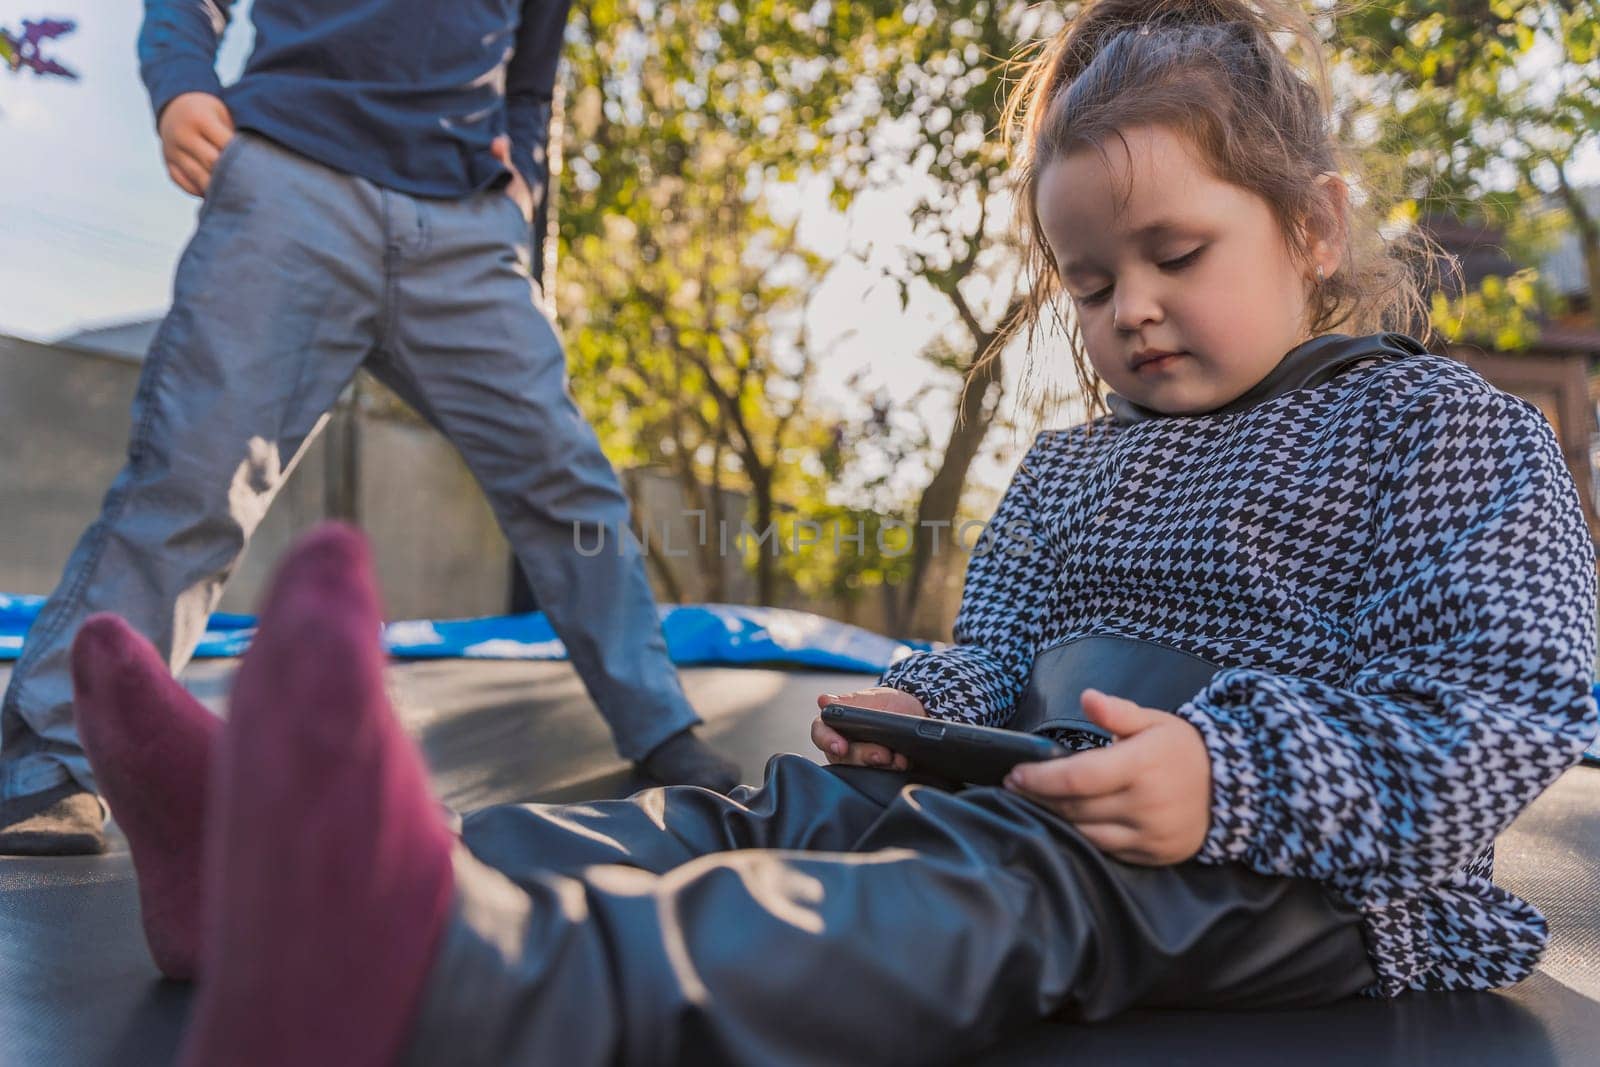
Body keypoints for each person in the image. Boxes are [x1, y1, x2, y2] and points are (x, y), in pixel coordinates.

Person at [68, 0, 1599, 1063]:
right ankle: (278, 869)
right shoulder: (1072, 470)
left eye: (1176, 253)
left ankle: (463, 979)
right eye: (1085, 279)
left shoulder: (1438, 432)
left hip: (1311, 880)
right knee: (767, 809)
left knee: (980, 896)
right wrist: (925, 714)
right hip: (1047, 794)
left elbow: (1514, 703)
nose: (1128, 306)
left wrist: (1232, 773)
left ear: (1315, 228)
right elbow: (993, 648)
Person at [0, 0, 743, 856]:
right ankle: (53, 758)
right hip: (290, 185)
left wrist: (523, 187)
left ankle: (660, 728)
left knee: (569, 482)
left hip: (465, 227)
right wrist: (180, 84)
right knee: (194, 472)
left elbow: (530, 85)